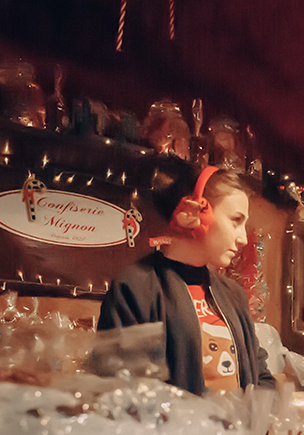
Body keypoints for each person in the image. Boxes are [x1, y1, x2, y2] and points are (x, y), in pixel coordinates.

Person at [98, 161, 274, 395]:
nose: (242, 238)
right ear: (196, 213)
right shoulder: (136, 288)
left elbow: (261, 375)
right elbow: (119, 388)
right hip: (178, 431)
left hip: (238, 431)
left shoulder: (233, 295)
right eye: (236, 220)